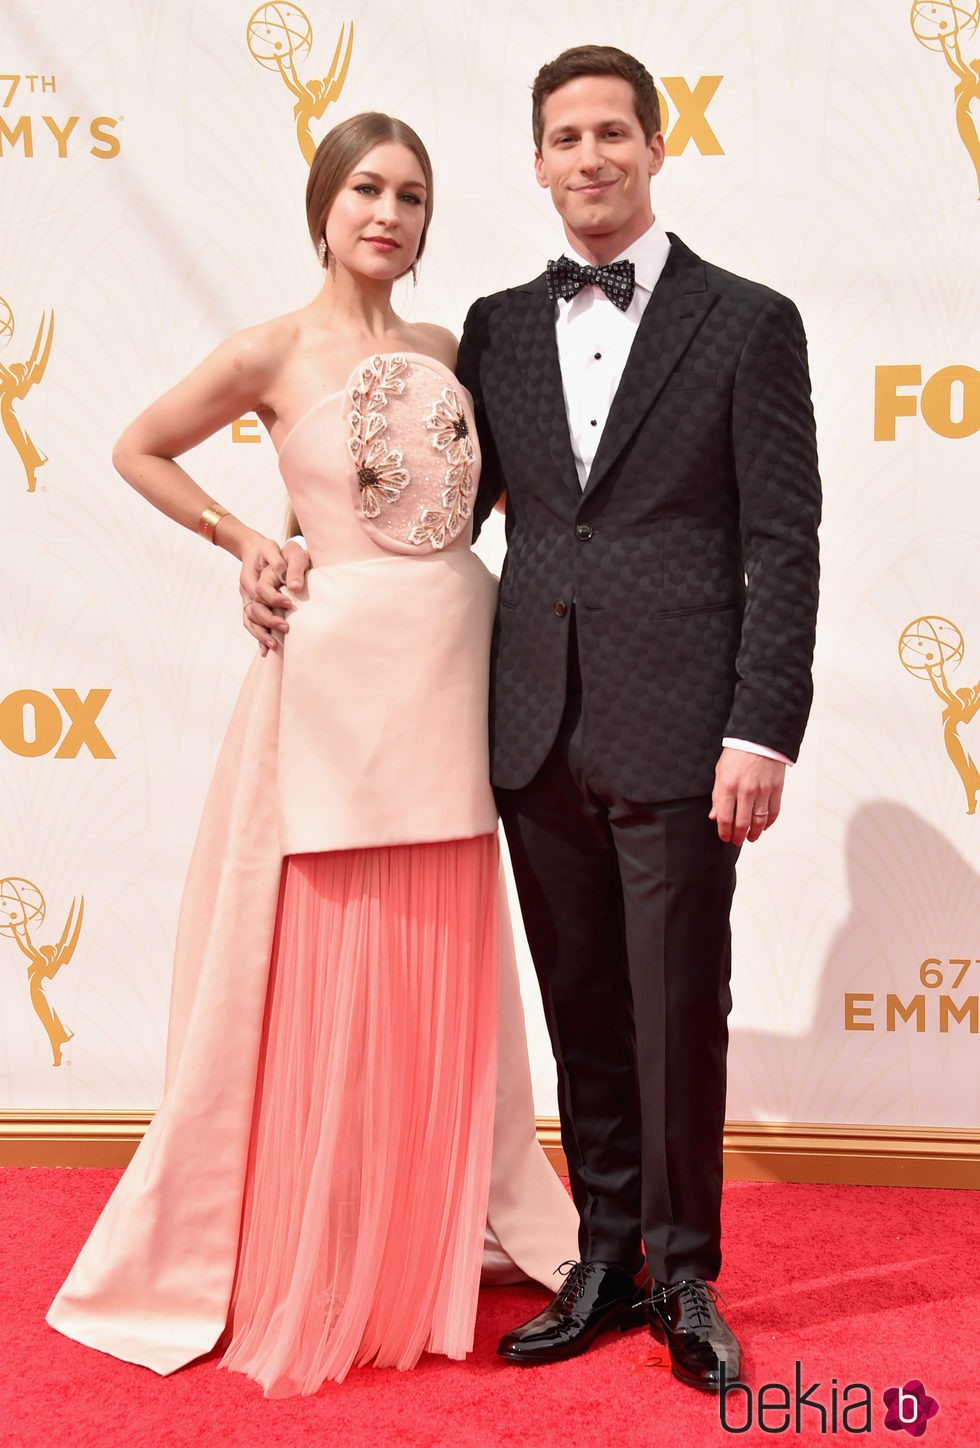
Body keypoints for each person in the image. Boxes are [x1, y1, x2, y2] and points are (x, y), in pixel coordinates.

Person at [246, 46, 821, 1394]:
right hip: (524, 724)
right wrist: (278, 542)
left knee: (678, 1007)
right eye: (564, 139)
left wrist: (763, 728)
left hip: (686, 725)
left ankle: (683, 1278)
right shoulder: (497, 328)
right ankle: (606, 1257)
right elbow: (419, 498)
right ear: (540, 161)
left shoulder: (748, 321)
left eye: (612, 134)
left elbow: (782, 543)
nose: (590, 160)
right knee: (580, 1008)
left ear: (655, 146)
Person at [46, 111, 578, 1397]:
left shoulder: (456, 350)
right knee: (328, 953)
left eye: (410, 195)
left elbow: (462, 497)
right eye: (365, 191)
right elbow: (136, 446)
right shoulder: (270, 349)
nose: (387, 214)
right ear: (323, 205)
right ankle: (325, 1244)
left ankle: (429, 1222)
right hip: (335, 678)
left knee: (441, 944)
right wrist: (250, 541)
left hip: (456, 661)